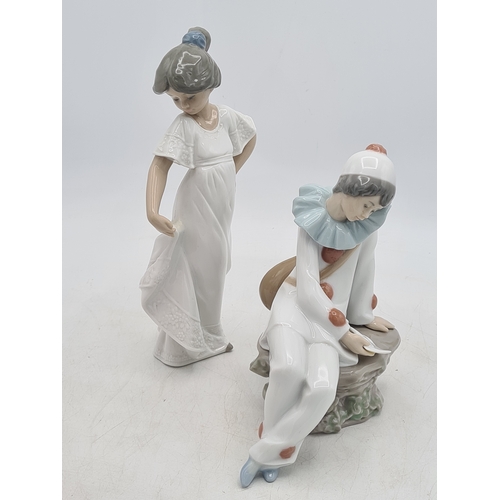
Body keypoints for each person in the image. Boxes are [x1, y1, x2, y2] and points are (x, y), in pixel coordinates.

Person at [240, 144, 396, 487]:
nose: (367, 214)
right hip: (296, 305)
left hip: (331, 320)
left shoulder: (366, 231)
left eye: (375, 209)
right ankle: (275, 450)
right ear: (350, 189)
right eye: (366, 204)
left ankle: (264, 452)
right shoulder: (312, 219)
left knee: (322, 389)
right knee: (287, 368)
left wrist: (363, 315)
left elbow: (364, 272)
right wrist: (345, 333)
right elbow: (308, 289)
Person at [140, 27, 257, 367]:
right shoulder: (184, 125)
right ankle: (194, 340)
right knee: (202, 268)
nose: (183, 105)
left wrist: (229, 170)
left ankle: (208, 334)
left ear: (209, 86)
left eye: (189, 97)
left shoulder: (227, 118)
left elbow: (250, 137)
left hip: (221, 205)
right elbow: (160, 164)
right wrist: (152, 210)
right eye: (175, 99)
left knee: (218, 265)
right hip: (195, 206)